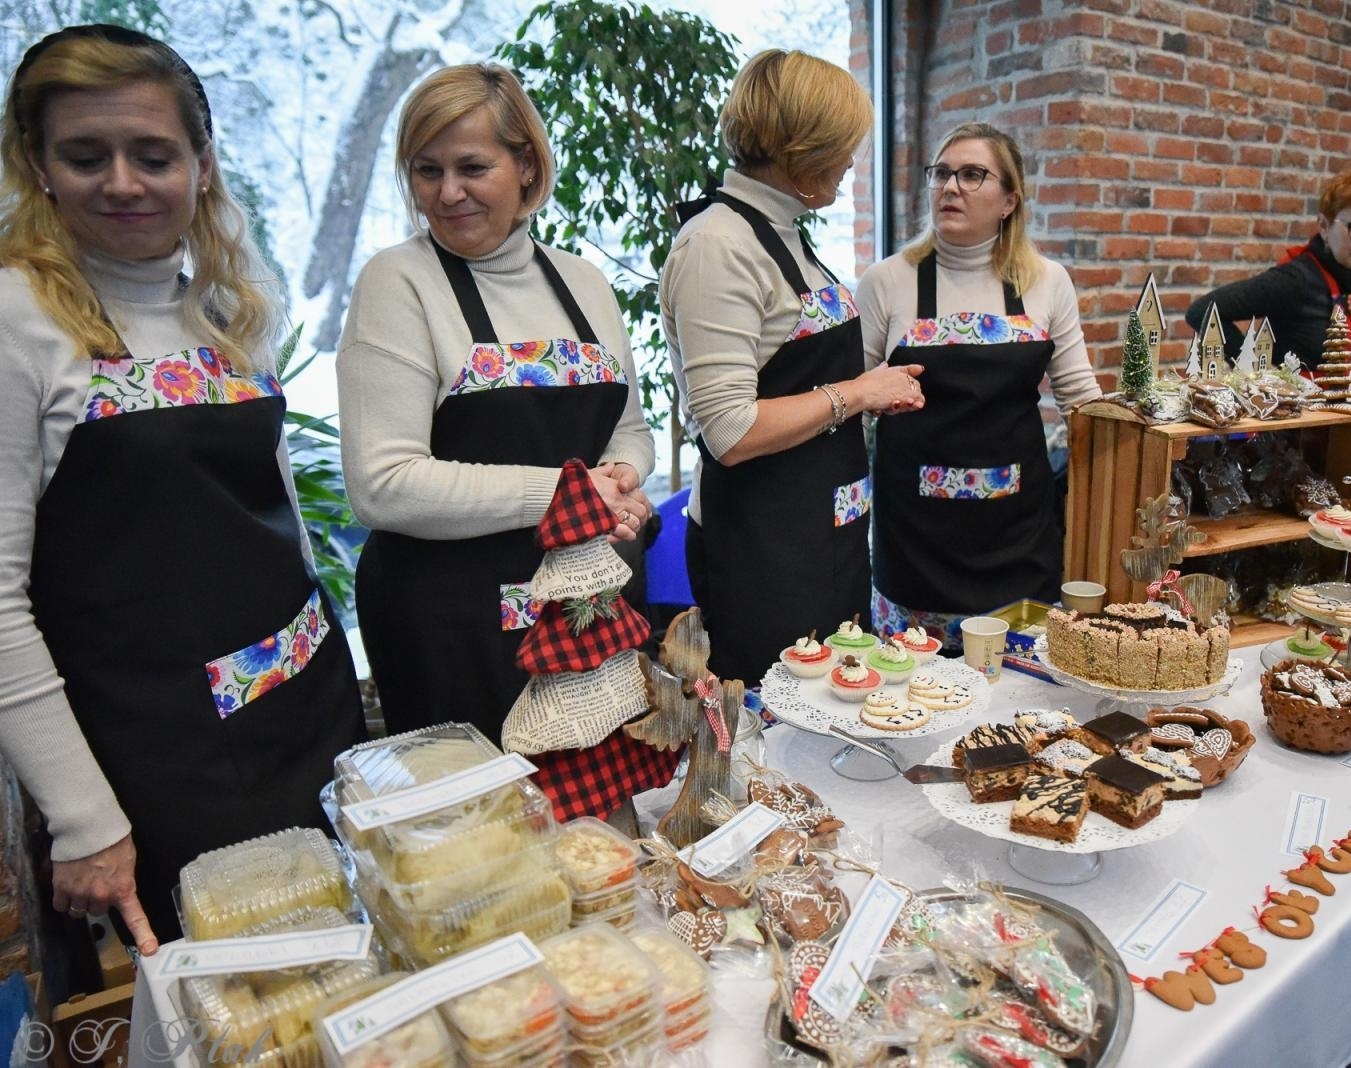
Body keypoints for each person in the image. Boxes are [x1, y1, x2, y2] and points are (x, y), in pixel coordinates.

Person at [0, 25, 365, 948]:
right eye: (86, 156)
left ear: (202, 165)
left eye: (153, 154)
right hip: (162, 763)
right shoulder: (18, 319)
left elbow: (273, 511)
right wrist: (85, 819)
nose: (122, 182)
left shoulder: (222, 308)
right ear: (36, 165)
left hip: (306, 714)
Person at [337, 64, 676, 820]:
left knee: (596, 834)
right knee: (484, 845)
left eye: (472, 167)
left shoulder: (583, 282)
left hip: (586, 612)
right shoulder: (398, 283)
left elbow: (629, 425)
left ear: (526, 166)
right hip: (450, 627)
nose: (447, 192)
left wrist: (625, 473)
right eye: (427, 171)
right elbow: (382, 485)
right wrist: (568, 493)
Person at [662, 49, 924, 685]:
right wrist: (856, 394)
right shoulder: (717, 247)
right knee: (781, 732)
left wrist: (865, 393)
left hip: (821, 534)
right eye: (843, 146)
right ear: (799, 150)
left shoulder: (779, 231)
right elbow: (728, 429)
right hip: (765, 551)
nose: (852, 162)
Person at [855, 123, 1099, 645]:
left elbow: (1081, 401)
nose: (950, 187)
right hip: (914, 538)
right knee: (912, 696)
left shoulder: (1047, 281)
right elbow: (852, 402)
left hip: (1018, 533)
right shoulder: (887, 281)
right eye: (942, 173)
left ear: (1010, 199)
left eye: (972, 175)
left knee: (1020, 694)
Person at [1185, 168, 1351, 393]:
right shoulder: (1297, 280)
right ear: (1324, 226)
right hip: (1299, 423)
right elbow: (1203, 311)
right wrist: (1259, 372)